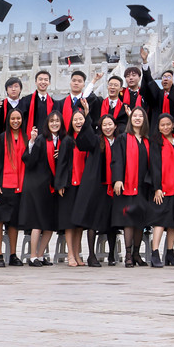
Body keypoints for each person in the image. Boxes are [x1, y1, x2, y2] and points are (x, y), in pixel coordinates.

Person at [72, 113, 118, 266]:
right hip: (97, 186)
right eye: (104, 125)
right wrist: (86, 118)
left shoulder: (120, 141)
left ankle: (112, 255)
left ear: (115, 126)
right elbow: (83, 141)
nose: (107, 127)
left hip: (113, 186)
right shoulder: (97, 141)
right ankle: (91, 255)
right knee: (93, 220)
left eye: (110, 124)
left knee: (112, 220)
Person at [111, 107, 153, 267]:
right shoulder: (123, 138)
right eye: (134, 116)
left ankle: (136, 253)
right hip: (127, 185)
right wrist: (118, 179)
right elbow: (117, 159)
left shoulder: (147, 140)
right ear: (130, 118)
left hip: (143, 186)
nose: (137, 118)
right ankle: (128, 254)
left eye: (140, 116)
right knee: (128, 219)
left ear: (144, 120)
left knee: (140, 221)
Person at [19, 113, 62, 266]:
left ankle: (41, 254)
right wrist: (31, 141)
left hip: (52, 187)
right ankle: (32, 256)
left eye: (57, 121)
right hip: (38, 186)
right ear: (47, 123)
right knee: (37, 222)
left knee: (49, 224)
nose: (55, 124)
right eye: (52, 121)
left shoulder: (63, 141)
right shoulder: (41, 140)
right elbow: (29, 161)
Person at [0, 109, 28, 267]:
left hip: (20, 186)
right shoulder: (2, 138)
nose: (16, 121)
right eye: (13, 118)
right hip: (3, 185)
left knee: (14, 222)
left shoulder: (26, 138)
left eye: (18, 118)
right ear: (8, 120)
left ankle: (12, 254)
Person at [147, 112, 174, 268]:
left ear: (173, 125)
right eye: (162, 125)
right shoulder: (156, 142)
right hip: (163, 188)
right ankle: (155, 253)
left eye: (168, 124)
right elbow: (155, 166)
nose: (165, 127)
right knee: (160, 221)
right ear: (158, 126)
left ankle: (170, 253)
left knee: (173, 223)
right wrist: (157, 188)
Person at [55, 109, 91, 267]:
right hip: (70, 185)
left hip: (84, 186)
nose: (78, 122)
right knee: (69, 222)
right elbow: (61, 164)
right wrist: (61, 184)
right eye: (75, 119)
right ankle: (70, 254)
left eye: (81, 119)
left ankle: (77, 254)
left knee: (80, 223)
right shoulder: (67, 140)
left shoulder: (88, 140)